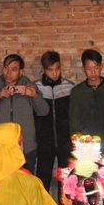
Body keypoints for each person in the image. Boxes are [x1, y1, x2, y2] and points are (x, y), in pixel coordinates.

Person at [0, 53, 48, 173]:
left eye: (13, 69)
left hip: (26, 147)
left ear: (21, 72)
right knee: (4, 181)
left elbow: (44, 111)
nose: (8, 73)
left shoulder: (29, 86)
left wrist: (34, 95)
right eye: (6, 68)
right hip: (2, 148)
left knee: (26, 181)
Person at [34, 50, 75, 191]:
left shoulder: (69, 87)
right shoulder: (36, 88)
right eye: (50, 70)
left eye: (57, 68)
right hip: (44, 142)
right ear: (44, 69)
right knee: (42, 179)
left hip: (65, 141)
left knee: (66, 180)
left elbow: (72, 114)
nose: (55, 73)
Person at [69, 49, 104, 137]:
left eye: (96, 68)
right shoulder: (77, 92)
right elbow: (74, 120)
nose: (93, 72)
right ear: (83, 68)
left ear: (101, 67)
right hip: (86, 140)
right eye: (89, 68)